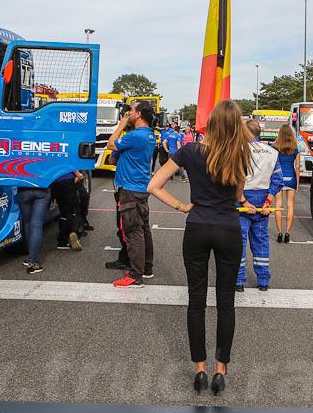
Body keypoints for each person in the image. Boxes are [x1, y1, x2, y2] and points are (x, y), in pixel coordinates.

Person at [148, 99, 250, 395]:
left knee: (196, 300)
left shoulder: (190, 150)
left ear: (212, 124)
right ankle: (221, 370)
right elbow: (238, 196)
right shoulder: (241, 154)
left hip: (197, 225)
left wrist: (182, 206)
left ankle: (200, 369)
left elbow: (154, 185)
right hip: (228, 227)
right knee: (226, 302)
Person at [106, 100, 157, 287]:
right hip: (141, 187)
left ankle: (136, 274)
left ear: (139, 115)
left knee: (133, 232)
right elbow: (114, 158)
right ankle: (147, 268)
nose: (128, 113)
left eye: (132, 110)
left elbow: (111, 145)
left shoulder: (135, 135)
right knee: (143, 229)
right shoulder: (149, 135)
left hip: (130, 189)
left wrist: (120, 125)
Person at [236, 120, 283, 292]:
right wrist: (268, 202)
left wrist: (243, 201)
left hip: (243, 199)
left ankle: (239, 281)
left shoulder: (238, 150)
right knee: (261, 241)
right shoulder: (272, 152)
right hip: (263, 198)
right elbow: (277, 180)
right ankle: (263, 281)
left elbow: (234, 180)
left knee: (239, 242)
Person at [272, 124, 300, 243]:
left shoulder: (275, 146)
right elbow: (297, 166)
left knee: (278, 204)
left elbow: (272, 164)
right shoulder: (296, 147)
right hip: (291, 177)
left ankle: (279, 232)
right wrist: (297, 183)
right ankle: (287, 232)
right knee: (290, 205)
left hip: (279, 177)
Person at [17, 187, 51, 273]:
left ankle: (30, 258)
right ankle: (32, 262)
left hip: (23, 190)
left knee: (27, 224)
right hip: (41, 189)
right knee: (36, 226)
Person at [50, 170, 84, 251]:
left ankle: (63, 240)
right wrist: (78, 174)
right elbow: (70, 161)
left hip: (54, 179)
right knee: (70, 210)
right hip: (67, 178)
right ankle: (72, 233)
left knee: (63, 210)